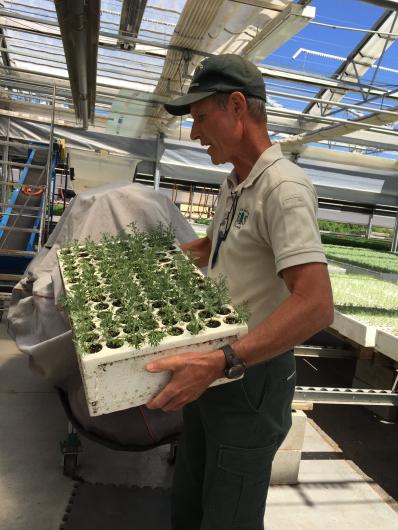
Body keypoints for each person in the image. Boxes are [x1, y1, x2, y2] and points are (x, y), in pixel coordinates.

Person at [146, 54, 334, 530]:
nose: (194, 133)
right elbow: (230, 244)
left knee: (229, 514)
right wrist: (181, 255)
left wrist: (223, 362)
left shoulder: (284, 190)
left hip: (250, 375)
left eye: (200, 118)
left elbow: (315, 304)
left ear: (236, 107)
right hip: (217, 366)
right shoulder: (235, 183)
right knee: (192, 496)